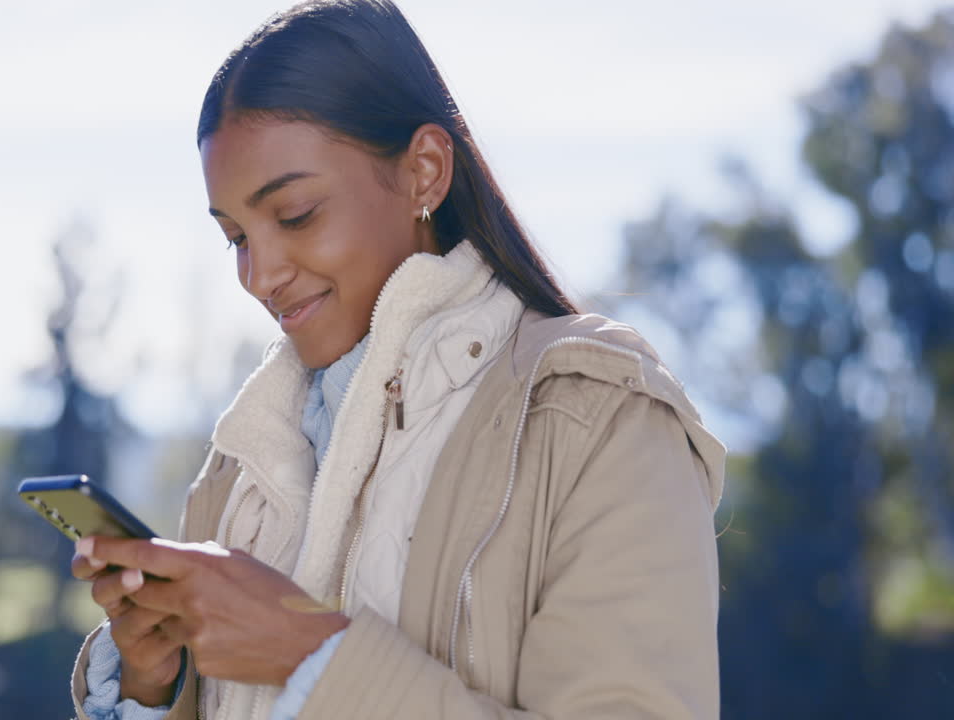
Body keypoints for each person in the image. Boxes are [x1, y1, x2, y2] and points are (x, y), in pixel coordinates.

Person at [68, 1, 726, 718]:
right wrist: (152, 686)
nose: (259, 277)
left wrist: (305, 654)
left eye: (293, 216)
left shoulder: (601, 423)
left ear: (425, 172)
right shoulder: (238, 473)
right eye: (236, 239)